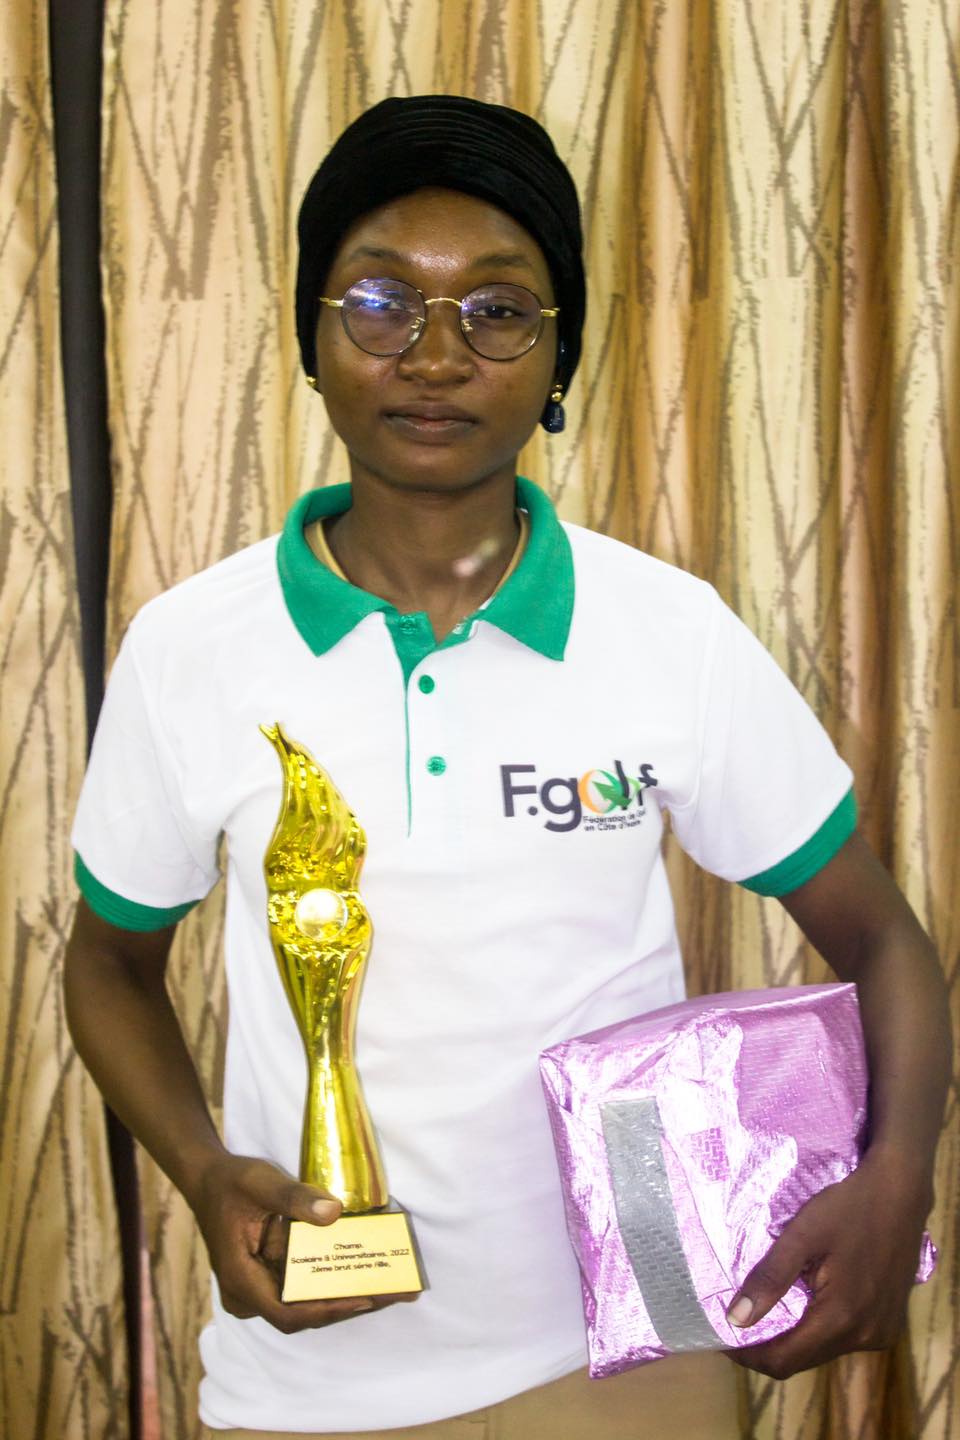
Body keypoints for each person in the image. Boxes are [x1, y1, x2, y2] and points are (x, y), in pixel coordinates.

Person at [64, 96, 950, 1440]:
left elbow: (882, 938)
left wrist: (899, 1176)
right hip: (310, 1379)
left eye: (497, 310)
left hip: (631, 1357)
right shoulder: (191, 649)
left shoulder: (668, 632)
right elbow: (107, 964)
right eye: (379, 302)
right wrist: (200, 1170)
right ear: (311, 340)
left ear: (559, 357)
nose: (434, 355)